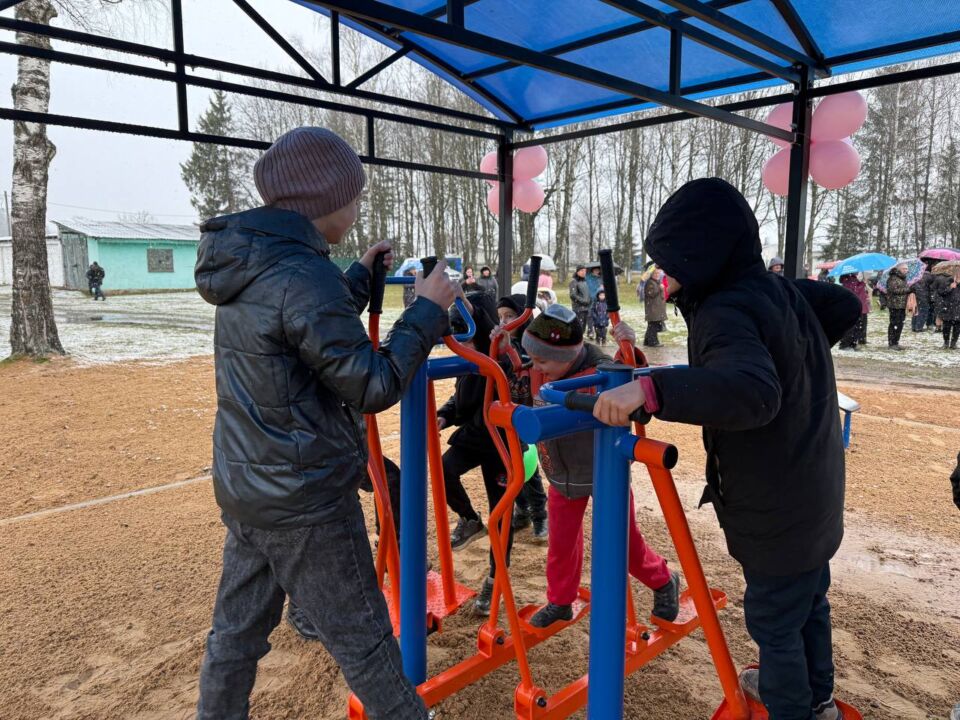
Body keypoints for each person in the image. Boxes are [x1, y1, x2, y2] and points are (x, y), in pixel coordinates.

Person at [194, 127, 457, 720]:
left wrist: (357, 279)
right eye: (354, 196)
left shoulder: (253, 262)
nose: (358, 206)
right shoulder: (302, 276)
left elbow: (301, 327)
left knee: (234, 639)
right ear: (326, 201)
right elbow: (371, 384)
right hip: (307, 500)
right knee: (368, 648)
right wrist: (427, 312)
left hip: (249, 487)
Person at [592, 178, 861, 720]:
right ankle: (818, 699)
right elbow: (841, 305)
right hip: (813, 493)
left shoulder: (725, 311)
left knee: (775, 622)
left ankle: (792, 708)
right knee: (809, 602)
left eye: (672, 261)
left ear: (703, 254)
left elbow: (752, 393)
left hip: (775, 504)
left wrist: (651, 390)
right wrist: (792, 344)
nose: (665, 275)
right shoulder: (775, 293)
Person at [519, 305, 680, 629]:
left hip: (604, 472)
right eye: (532, 359)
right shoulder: (541, 368)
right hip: (562, 474)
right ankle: (560, 601)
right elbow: (514, 380)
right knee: (561, 544)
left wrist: (631, 350)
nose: (535, 367)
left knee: (625, 542)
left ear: (567, 356)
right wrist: (501, 347)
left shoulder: (601, 370)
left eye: (542, 361)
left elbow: (636, 381)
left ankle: (663, 580)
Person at [437, 290, 515, 615]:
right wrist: (444, 415)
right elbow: (460, 398)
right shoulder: (467, 360)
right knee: (443, 470)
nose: (462, 345)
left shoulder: (496, 355)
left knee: (501, 514)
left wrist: (463, 300)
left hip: (499, 444)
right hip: (473, 437)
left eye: (466, 337)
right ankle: (469, 518)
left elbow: (482, 328)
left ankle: (496, 578)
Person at [495, 294, 548, 542]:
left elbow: (525, 364)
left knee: (527, 467)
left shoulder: (531, 346)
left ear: (523, 318)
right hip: (507, 417)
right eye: (500, 317)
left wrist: (508, 349)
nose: (504, 322)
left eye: (510, 316)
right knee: (508, 467)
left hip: (526, 416)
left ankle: (540, 514)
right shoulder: (499, 346)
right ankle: (522, 509)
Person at [884, 264, 912, 350]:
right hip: (894, 305)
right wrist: (908, 290)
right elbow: (894, 290)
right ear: (899, 269)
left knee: (900, 324)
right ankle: (892, 343)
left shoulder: (903, 278)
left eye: (907, 269)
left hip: (902, 305)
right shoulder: (893, 278)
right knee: (894, 324)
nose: (906, 270)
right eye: (904, 269)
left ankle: (896, 342)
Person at [839, 272, 869, 350]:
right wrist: (861, 283)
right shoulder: (848, 280)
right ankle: (845, 345)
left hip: (858, 306)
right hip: (852, 307)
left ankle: (853, 344)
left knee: (857, 327)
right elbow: (854, 292)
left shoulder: (853, 280)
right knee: (851, 327)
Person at [643, 266, 668, 347]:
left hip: (656, 309)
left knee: (652, 326)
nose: (657, 275)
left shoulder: (657, 282)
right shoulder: (650, 283)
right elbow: (651, 294)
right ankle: (653, 342)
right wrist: (660, 288)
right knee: (653, 326)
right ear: (651, 274)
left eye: (658, 273)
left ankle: (647, 341)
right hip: (653, 309)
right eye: (655, 273)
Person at [938, 269, 960, 350]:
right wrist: (950, 287)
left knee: (957, 327)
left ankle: (953, 343)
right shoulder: (947, 281)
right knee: (946, 327)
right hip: (947, 307)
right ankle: (946, 342)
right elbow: (940, 292)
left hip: (958, 308)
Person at [912, 260, 937, 332]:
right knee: (923, 311)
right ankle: (919, 327)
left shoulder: (916, 275)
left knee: (916, 311)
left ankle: (914, 326)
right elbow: (933, 285)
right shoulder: (929, 275)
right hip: (924, 296)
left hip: (916, 295)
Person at [568, 265, 591, 336]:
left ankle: (580, 339)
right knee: (578, 326)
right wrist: (583, 301)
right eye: (582, 271)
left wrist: (589, 300)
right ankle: (575, 339)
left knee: (583, 327)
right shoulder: (574, 281)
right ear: (577, 272)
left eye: (585, 271)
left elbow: (587, 293)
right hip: (578, 308)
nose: (584, 272)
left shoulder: (585, 282)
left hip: (586, 308)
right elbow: (573, 295)